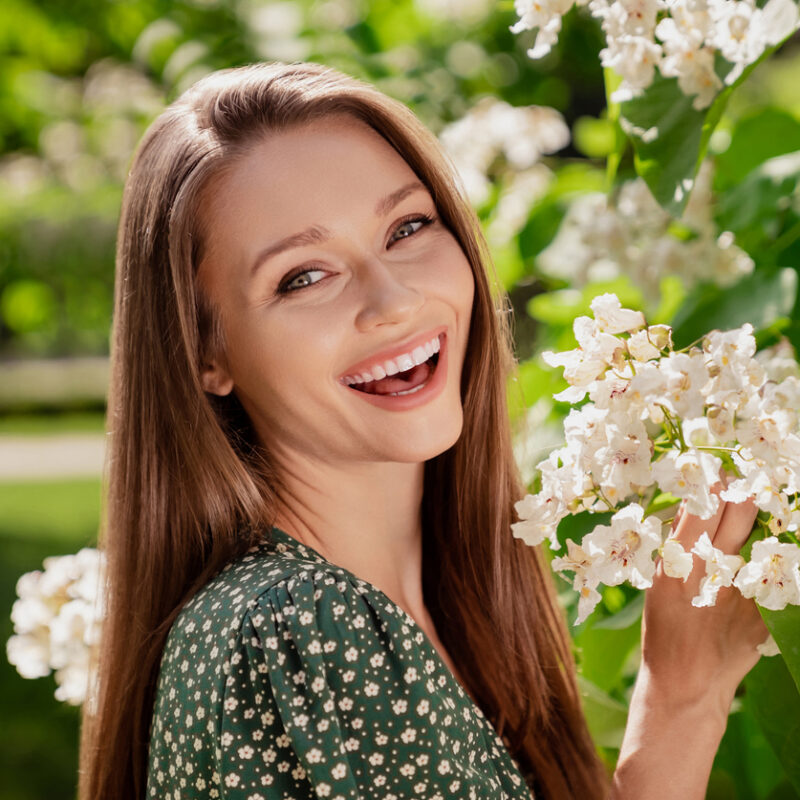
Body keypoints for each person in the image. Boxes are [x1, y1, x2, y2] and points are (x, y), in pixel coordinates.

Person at [77, 61, 769, 800]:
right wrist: (679, 702)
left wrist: (688, 691)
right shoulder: (304, 629)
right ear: (204, 353)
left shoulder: (441, 616)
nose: (395, 300)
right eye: (304, 276)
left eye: (407, 227)